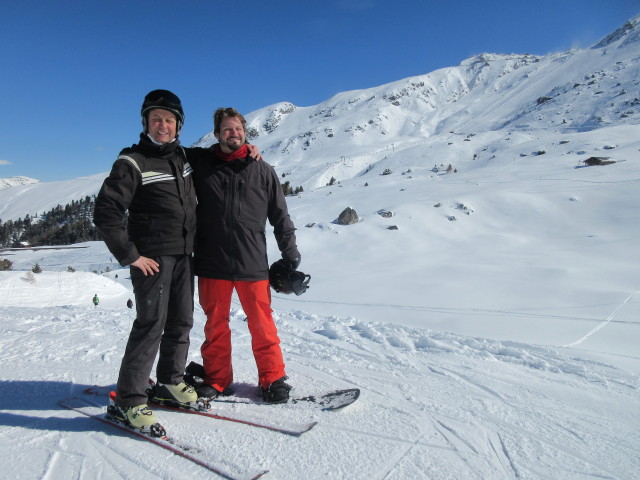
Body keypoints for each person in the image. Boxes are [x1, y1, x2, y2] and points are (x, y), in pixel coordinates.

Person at [93, 89, 199, 431]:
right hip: (152, 259)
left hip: (184, 255)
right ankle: (129, 401)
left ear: (178, 125)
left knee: (181, 321)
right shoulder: (132, 161)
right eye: (156, 119)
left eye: (169, 120)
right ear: (145, 123)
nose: (162, 125)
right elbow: (106, 212)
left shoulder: (184, 157)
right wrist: (131, 255)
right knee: (151, 324)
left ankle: (169, 381)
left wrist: (249, 151)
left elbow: (222, 158)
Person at [189, 107, 301, 403]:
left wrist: (291, 256)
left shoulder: (263, 170)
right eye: (227, 130)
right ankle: (217, 379)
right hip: (212, 262)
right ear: (216, 134)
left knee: (262, 324)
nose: (233, 134)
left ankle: (273, 378)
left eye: (238, 129)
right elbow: (171, 150)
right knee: (215, 326)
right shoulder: (201, 163)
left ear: (245, 133)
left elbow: (281, 217)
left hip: (252, 263)